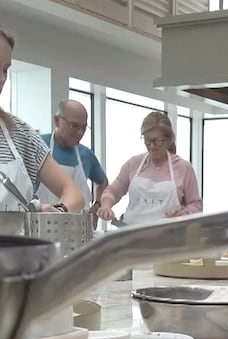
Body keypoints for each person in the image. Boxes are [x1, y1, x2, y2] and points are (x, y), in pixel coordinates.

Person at [0, 28, 83, 214]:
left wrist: (58, 212)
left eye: (5, 69)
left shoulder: (20, 133)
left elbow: (74, 194)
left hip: (21, 243)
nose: (2, 78)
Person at [96, 112, 201, 225]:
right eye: (147, 140)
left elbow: (196, 205)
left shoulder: (184, 168)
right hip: (131, 234)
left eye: (157, 141)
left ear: (169, 140)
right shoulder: (134, 163)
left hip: (168, 236)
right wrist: (106, 206)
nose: (151, 146)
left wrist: (184, 213)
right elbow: (113, 191)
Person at [38, 99, 108, 225]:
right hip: (43, 226)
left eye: (84, 127)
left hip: (80, 229)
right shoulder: (38, 146)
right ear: (57, 120)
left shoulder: (86, 155)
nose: (80, 133)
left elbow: (103, 182)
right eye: (74, 126)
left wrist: (97, 205)